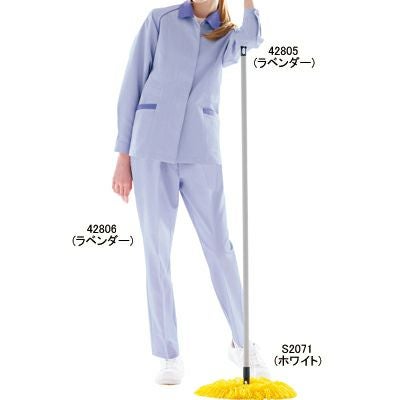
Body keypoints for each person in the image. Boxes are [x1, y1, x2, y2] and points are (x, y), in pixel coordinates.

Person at [112, 0, 269, 385]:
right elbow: (132, 84)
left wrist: (249, 3)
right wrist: (122, 157)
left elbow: (253, 38)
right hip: (151, 147)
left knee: (220, 247)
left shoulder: (225, 36)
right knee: (157, 252)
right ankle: (168, 354)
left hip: (200, 150)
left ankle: (242, 341)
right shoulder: (160, 20)